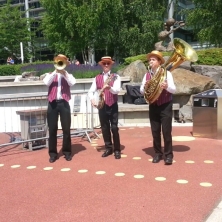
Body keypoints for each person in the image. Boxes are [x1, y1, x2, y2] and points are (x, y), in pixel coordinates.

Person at [140, 50, 176, 165]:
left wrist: (166, 86)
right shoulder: (147, 75)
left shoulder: (167, 73)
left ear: (159, 62)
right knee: (155, 131)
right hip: (153, 105)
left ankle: (169, 155)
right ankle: (158, 153)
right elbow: (141, 91)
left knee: (166, 131)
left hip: (165, 105)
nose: (151, 61)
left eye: (153, 59)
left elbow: (174, 89)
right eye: (150, 59)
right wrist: (145, 87)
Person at [43, 54, 76, 163]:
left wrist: (64, 73)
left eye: (63, 61)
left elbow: (72, 83)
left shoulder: (68, 75)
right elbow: (46, 82)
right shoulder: (50, 74)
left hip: (64, 103)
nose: (61, 63)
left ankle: (67, 152)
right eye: (59, 61)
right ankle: (53, 153)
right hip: (52, 103)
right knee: (52, 129)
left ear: (66, 63)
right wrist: (55, 72)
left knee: (66, 129)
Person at [88, 56, 121, 159]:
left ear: (111, 65)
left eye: (108, 63)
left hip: (112, 105)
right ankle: (108, 148)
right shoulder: (97, 77)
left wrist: (109, 87)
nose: (106, 65)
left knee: (114, 128)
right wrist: (92, 99)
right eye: (104, 63)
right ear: (101, 65)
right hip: (102, 106)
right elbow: (90, 91)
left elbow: (117, 90)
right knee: (104, 128)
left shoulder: (115, 76)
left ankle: (117, 149)